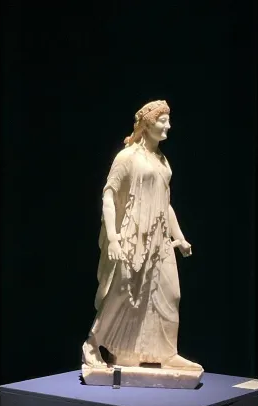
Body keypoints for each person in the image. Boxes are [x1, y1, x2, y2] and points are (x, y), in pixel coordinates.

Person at [81, 100, 202, 371]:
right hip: (133, 234)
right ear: (147, 124)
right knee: (122, 291)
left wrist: (180, 237)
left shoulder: (162, 161)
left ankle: (166, 352)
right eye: (162, 120)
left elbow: (166, 203)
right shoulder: (127, 157)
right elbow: (109, 195)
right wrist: (113, 238)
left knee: (170, 294)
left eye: (168, 120)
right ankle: (92, 343)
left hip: (159, 238)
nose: (168, 126)